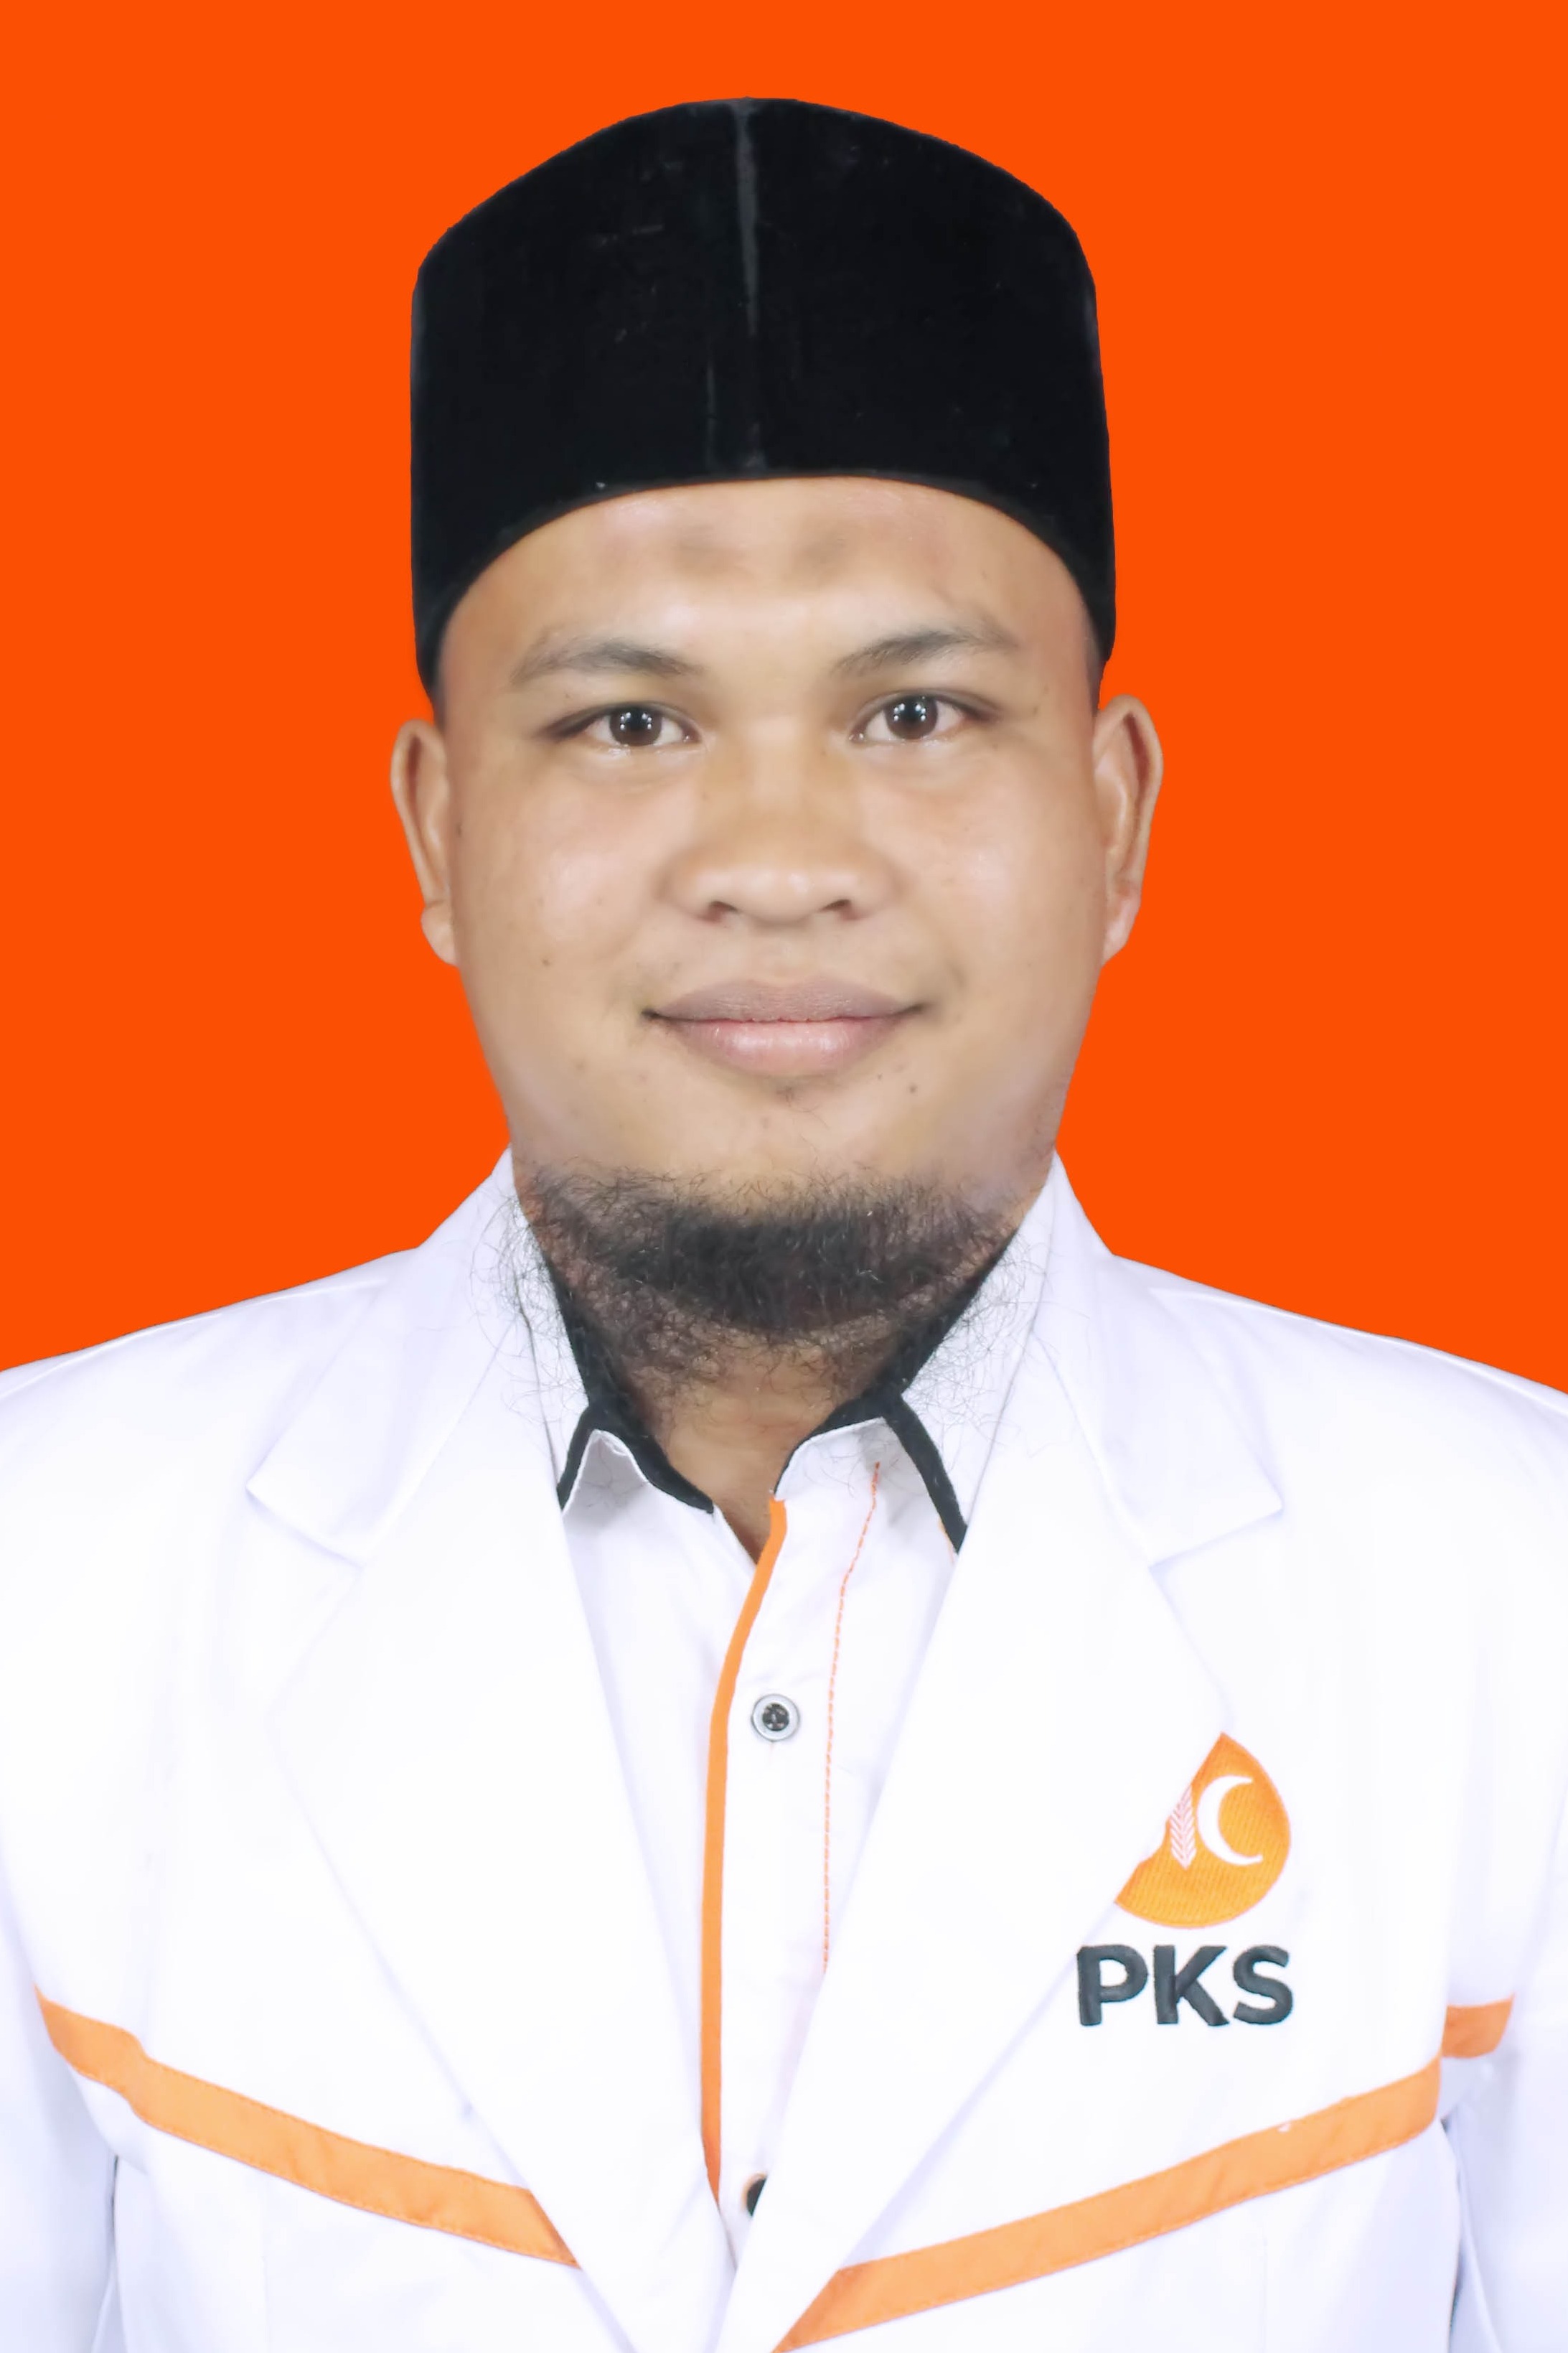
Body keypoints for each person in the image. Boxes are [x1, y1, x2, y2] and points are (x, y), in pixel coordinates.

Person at [0, 98, 1563, 2353]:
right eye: (627, 723)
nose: (774, 859)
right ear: (436, 834)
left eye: (915, 712)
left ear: (1114, 819)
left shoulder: (1515, 1595)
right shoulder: (48, 1575)